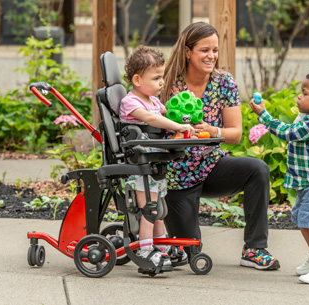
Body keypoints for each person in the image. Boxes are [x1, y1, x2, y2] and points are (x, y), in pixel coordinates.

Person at [161, 22, 280, 270]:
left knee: (257, 169)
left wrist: (214, 131)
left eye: (215, 50)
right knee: (190, 252)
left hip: (212, 166)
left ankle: (255, 249)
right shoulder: (167, 84)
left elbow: (235, 134)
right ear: (187, 51)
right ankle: (179, 244)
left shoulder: (224, 82)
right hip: (176, 177)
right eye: (204, 50)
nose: (211, 56)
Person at [249, 70, 309, 284]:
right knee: (303, 220)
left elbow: (290, 133)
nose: (299, 97)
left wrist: (264, 116)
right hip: (307, 182)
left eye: (305, 93)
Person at [120, 46, 195, 268]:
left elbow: (169, 112)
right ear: (137, 79)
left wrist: (184, 103)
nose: (162, 82)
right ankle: (145, 251)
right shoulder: (131, 102)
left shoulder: (154, 101)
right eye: (156, 78)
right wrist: (177, 125)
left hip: (154, 165)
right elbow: (153, 120)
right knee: (149, 211)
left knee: (159, 211)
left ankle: (161, 248)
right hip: (140, 167)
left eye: (162, 77)